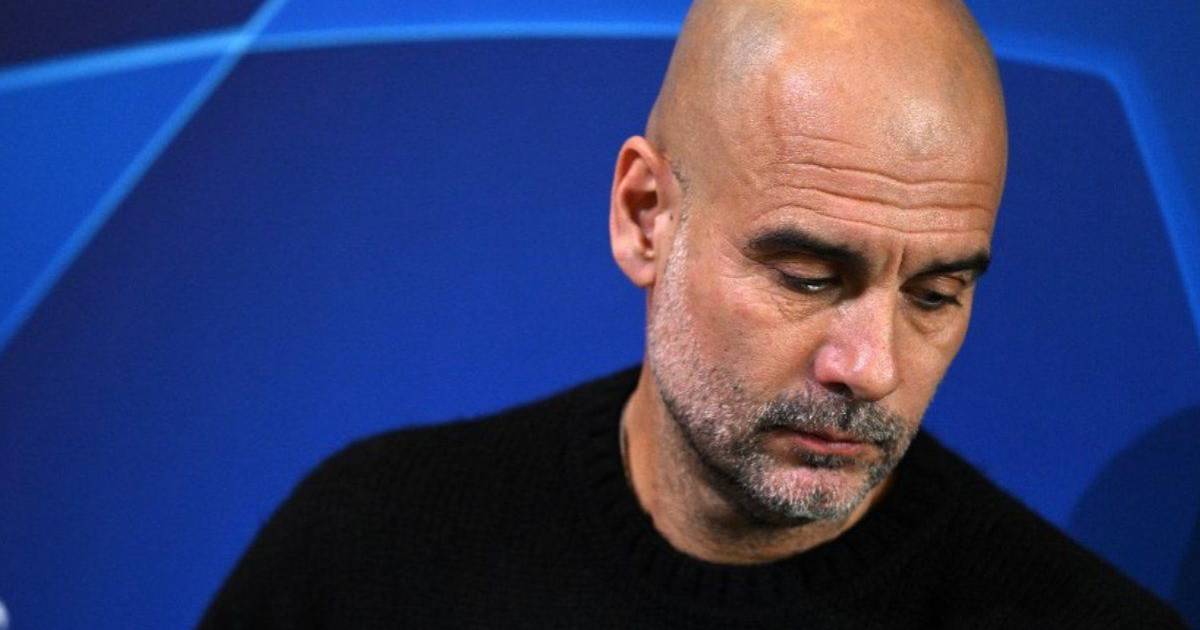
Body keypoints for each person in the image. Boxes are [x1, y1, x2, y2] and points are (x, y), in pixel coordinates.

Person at [200, 1, 1185, 627]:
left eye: (935, 295)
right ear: (646, 217)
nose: (871, 366)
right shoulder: (370, 551)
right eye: (807, 276)